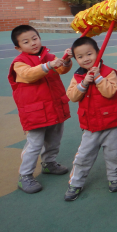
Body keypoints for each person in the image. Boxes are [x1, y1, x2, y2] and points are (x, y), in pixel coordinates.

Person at [8, 25, 73, 194]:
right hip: (35, 112)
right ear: (18, 47)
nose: (32, 43)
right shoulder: (19, 63)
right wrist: (48, 65)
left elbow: (62, 69)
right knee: (35, 143)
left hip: (54, 107)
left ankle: (49, 163)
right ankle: (25, 175)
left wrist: (66, 61)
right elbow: (30, 74)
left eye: (34, 38)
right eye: (26, 41)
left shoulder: (49, 56)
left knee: (54, 137)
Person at [65, 37, 117, 202]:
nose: (85, 59)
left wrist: (98, 77)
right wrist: (84, 83)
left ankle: (114, 176)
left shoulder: (110, 73)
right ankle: (76, 182)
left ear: (98, 53)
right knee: (83, 156)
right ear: (76, 59)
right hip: (90, 126)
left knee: (114, 154)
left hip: (112, 123)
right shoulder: (78, 76)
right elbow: (72, 96)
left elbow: (110, 92)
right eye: (80, 56)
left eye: (90, 54)